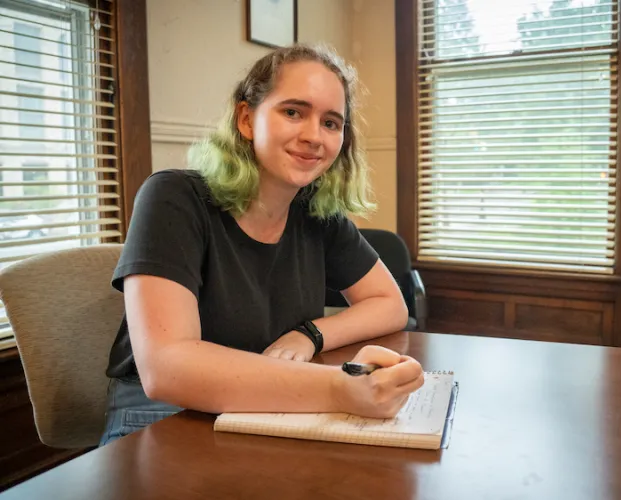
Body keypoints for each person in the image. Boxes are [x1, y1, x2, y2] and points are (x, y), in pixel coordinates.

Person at [99, 44, 424, 445]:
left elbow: (391, 305)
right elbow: (167, 368)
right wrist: (341, 388)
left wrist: (311, 335)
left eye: (331, 123)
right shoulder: (172, 197)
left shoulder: (316, 213)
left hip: (267, 409)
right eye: (293, 112)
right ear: (247, 118)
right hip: (164, 419)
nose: (313, 136)